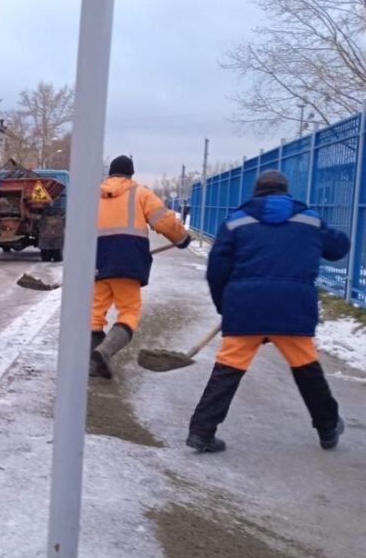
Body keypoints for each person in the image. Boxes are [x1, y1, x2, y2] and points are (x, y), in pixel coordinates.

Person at [187, 170, 350, 453]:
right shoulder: (308, 219)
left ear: (256, 193)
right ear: (285, 192)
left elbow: (216, 269)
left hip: (246, 306)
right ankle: (327, 427)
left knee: (228, 368)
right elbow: (338, 248)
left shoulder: (237, 221)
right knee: (306, 368)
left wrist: (225, 306)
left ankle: (201, 432)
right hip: (292, 308)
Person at [91, 155, 191, 378]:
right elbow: (164, 221)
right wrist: (182, 239)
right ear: (130, 174)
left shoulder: (93, 196)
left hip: (97, 261)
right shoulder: (140, 193)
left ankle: (93, 361)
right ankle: (104, 352)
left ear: (110, 174)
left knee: (95, 313)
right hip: (128, 262)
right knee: (128, 312)